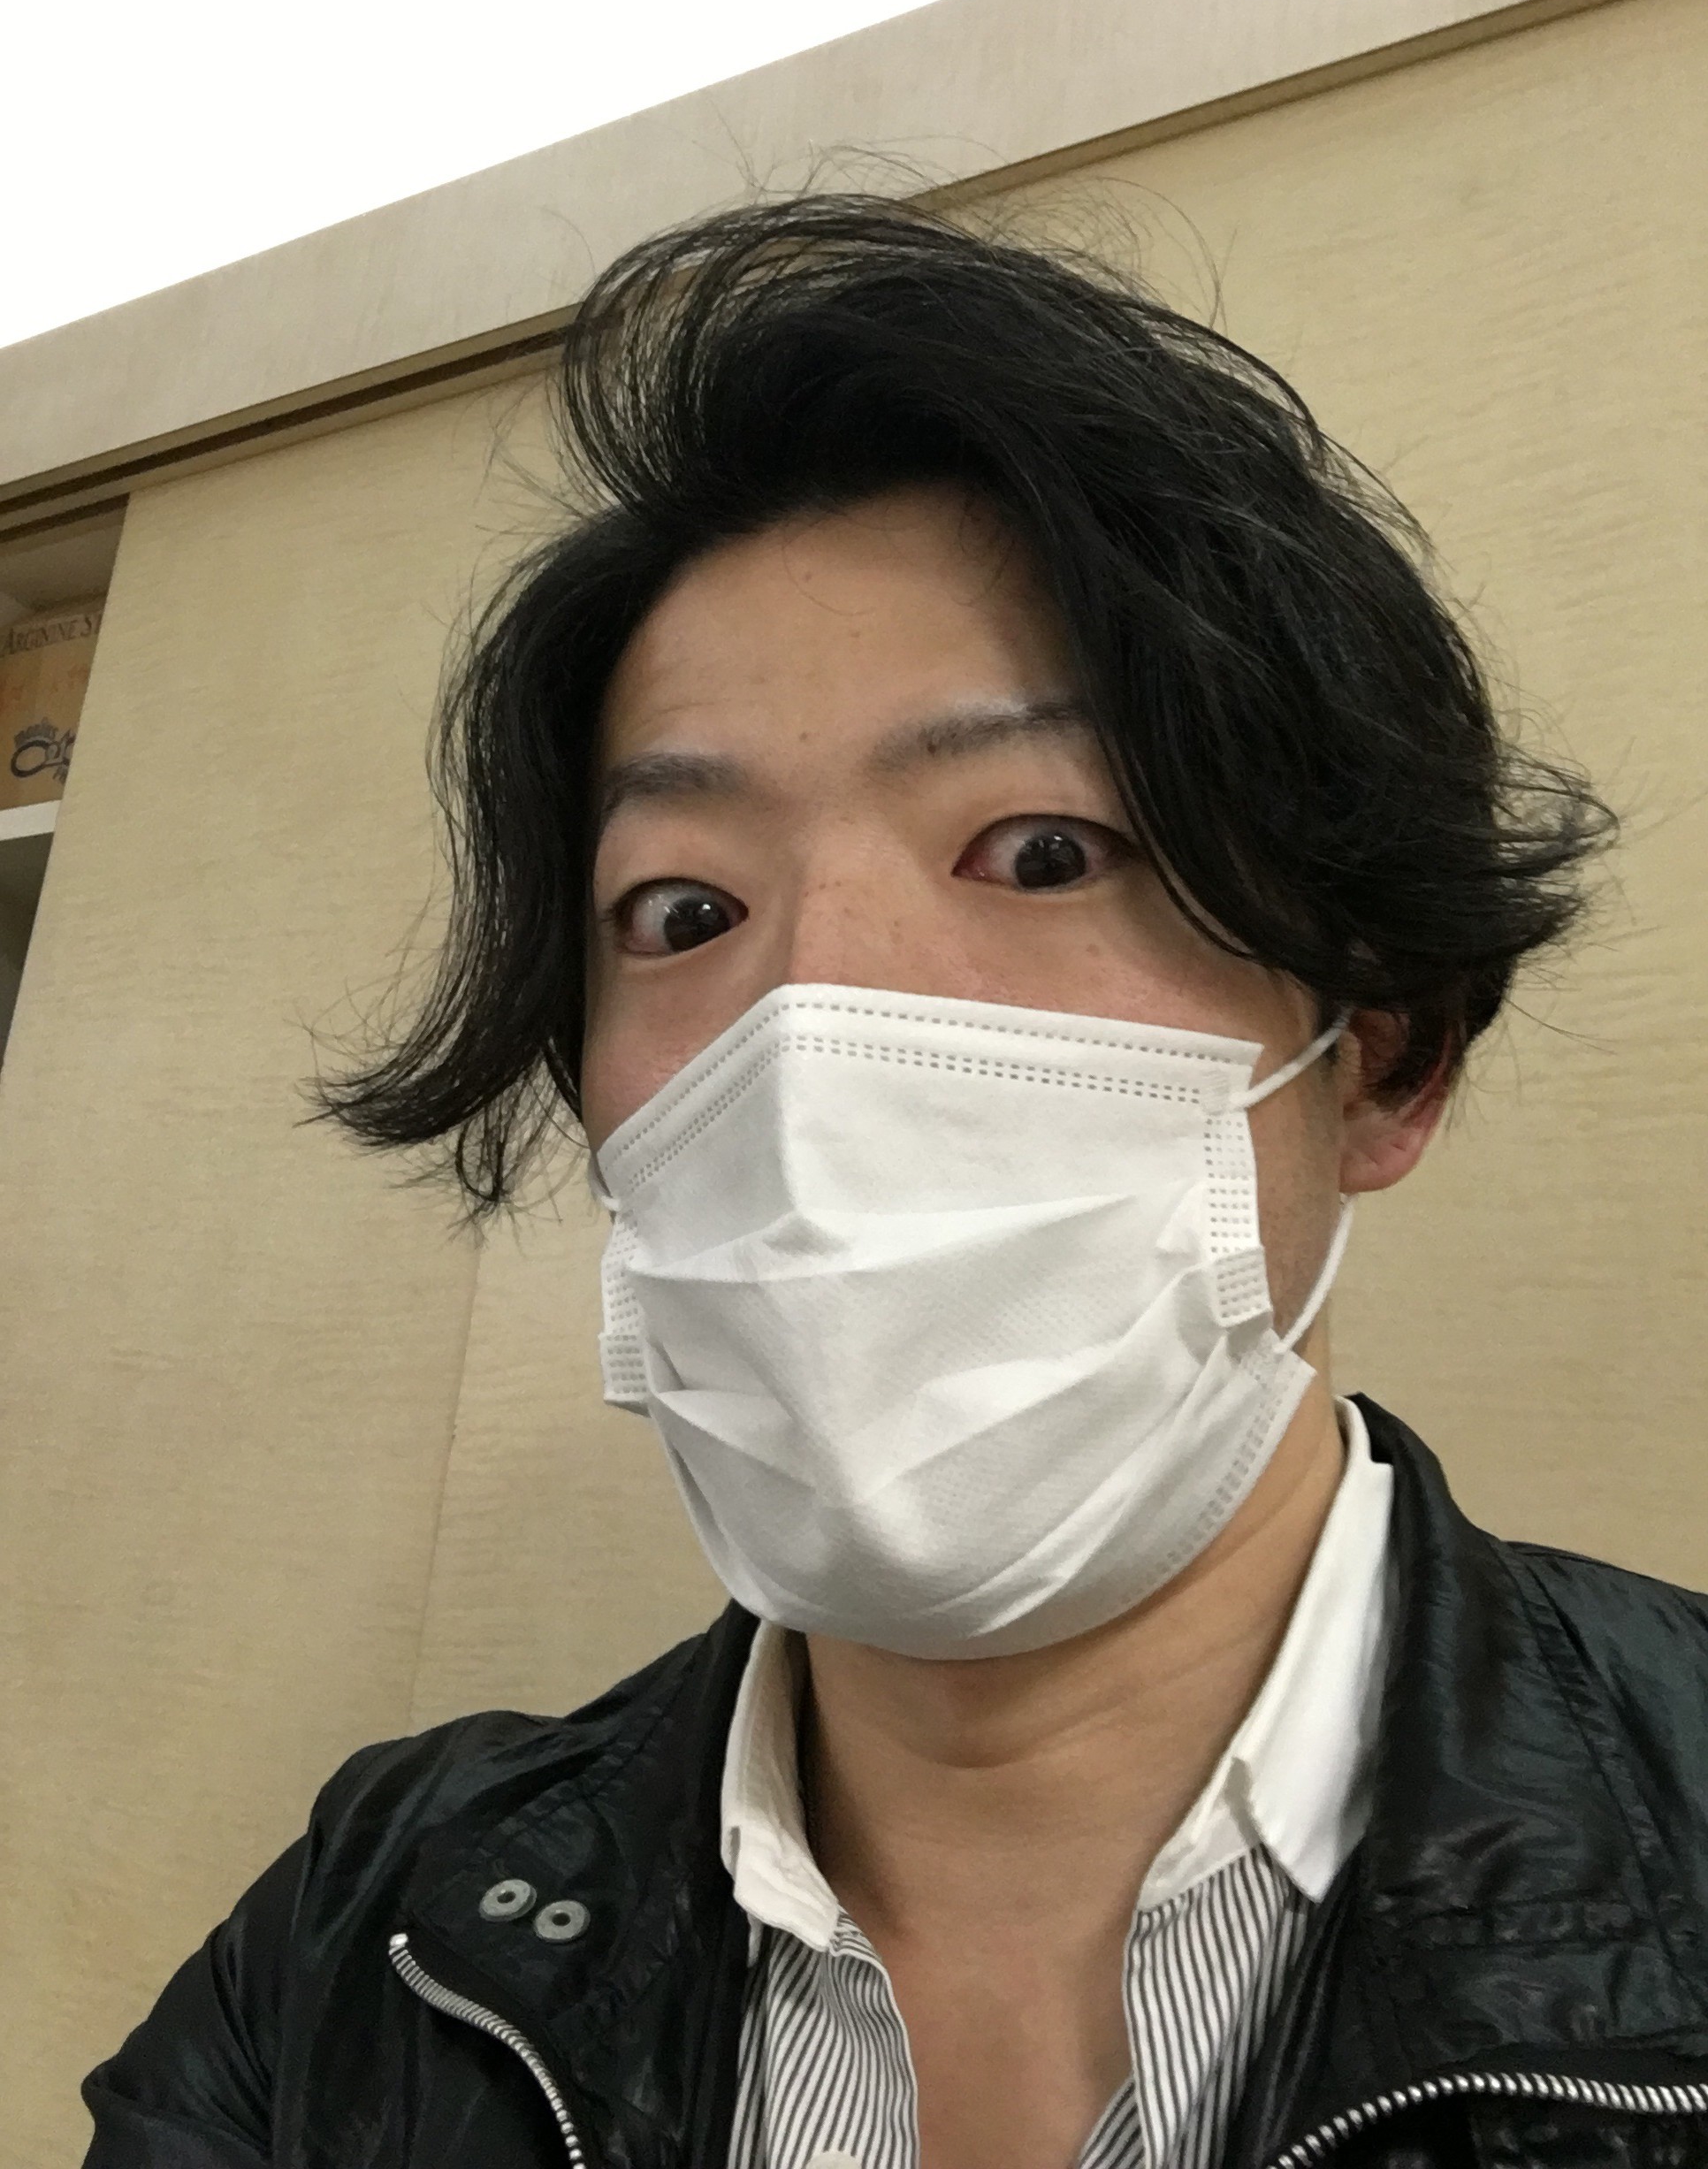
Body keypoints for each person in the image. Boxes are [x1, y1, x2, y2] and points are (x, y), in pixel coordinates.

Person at [80, 196, 1704, 2169]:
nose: (811, 1021)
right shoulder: (360, 1945)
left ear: (1380, 1052)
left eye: (1038, 853)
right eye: (683, 910)